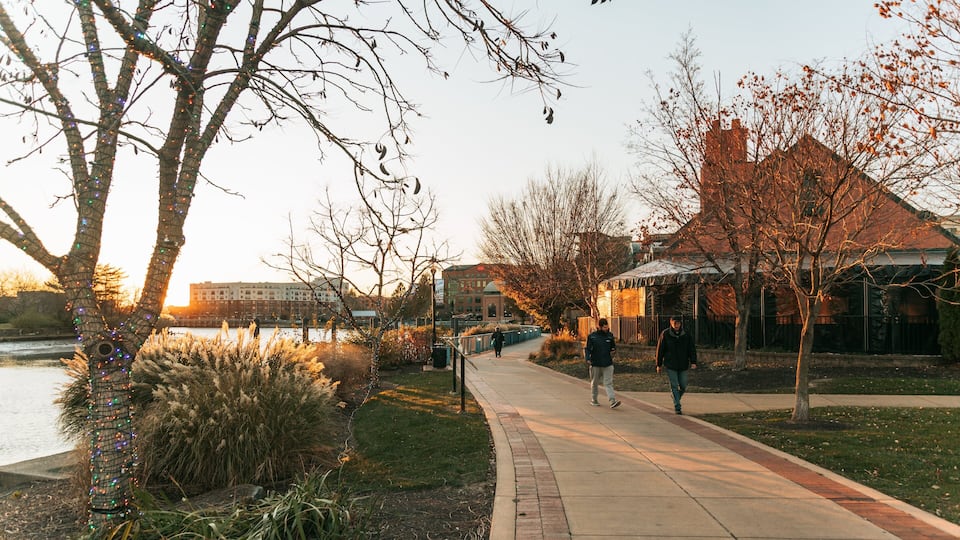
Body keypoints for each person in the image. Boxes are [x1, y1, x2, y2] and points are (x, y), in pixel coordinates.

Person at [656, 315, 697, 414]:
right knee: (674, 385)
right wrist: (659, 364)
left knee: (683, 385)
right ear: (670, 323)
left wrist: (693, 362)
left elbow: (691, 348)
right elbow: (660, 349)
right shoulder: (665, 334)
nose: (676, 325)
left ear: (680, 323)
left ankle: (675, 396)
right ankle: (677, 406)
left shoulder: (686, 334)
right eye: (674, 322)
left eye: (678, 323)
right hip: (671, 364)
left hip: (683, 364)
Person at [584, 318, 621, 409]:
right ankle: (594, 399)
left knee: (608, 383)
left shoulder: (609, 336)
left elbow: (613, 347)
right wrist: (588, 358)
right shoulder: (592, 337)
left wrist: (613, 351)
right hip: (595, 363)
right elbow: (587, 349)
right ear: (599, 327)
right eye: (604, 327)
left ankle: (612, 400)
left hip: (607, 363)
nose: (606, 329)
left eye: (607, 327)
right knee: (595, 382)